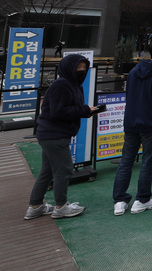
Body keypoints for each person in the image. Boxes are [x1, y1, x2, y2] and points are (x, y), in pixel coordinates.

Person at [25, 54, 98, 220]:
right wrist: (84, 110)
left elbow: (69, 109)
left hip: (52, 134)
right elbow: (60, 111)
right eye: (78, 67)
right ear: (68, 68)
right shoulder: (62, 85)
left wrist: (87, 111)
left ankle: (35, 206)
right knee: (63, 170)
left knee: (47, 171)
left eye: (84, 67)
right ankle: (61, 207)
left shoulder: (74, 85)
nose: (82, 70)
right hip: (55, 135)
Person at [112, 38, 152, 214]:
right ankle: (142, 199)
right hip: (150, 124)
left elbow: (129, 94)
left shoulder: (135, 70)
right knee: (148, 161)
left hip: (131, 121)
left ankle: (119, 201)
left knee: (126, 161)